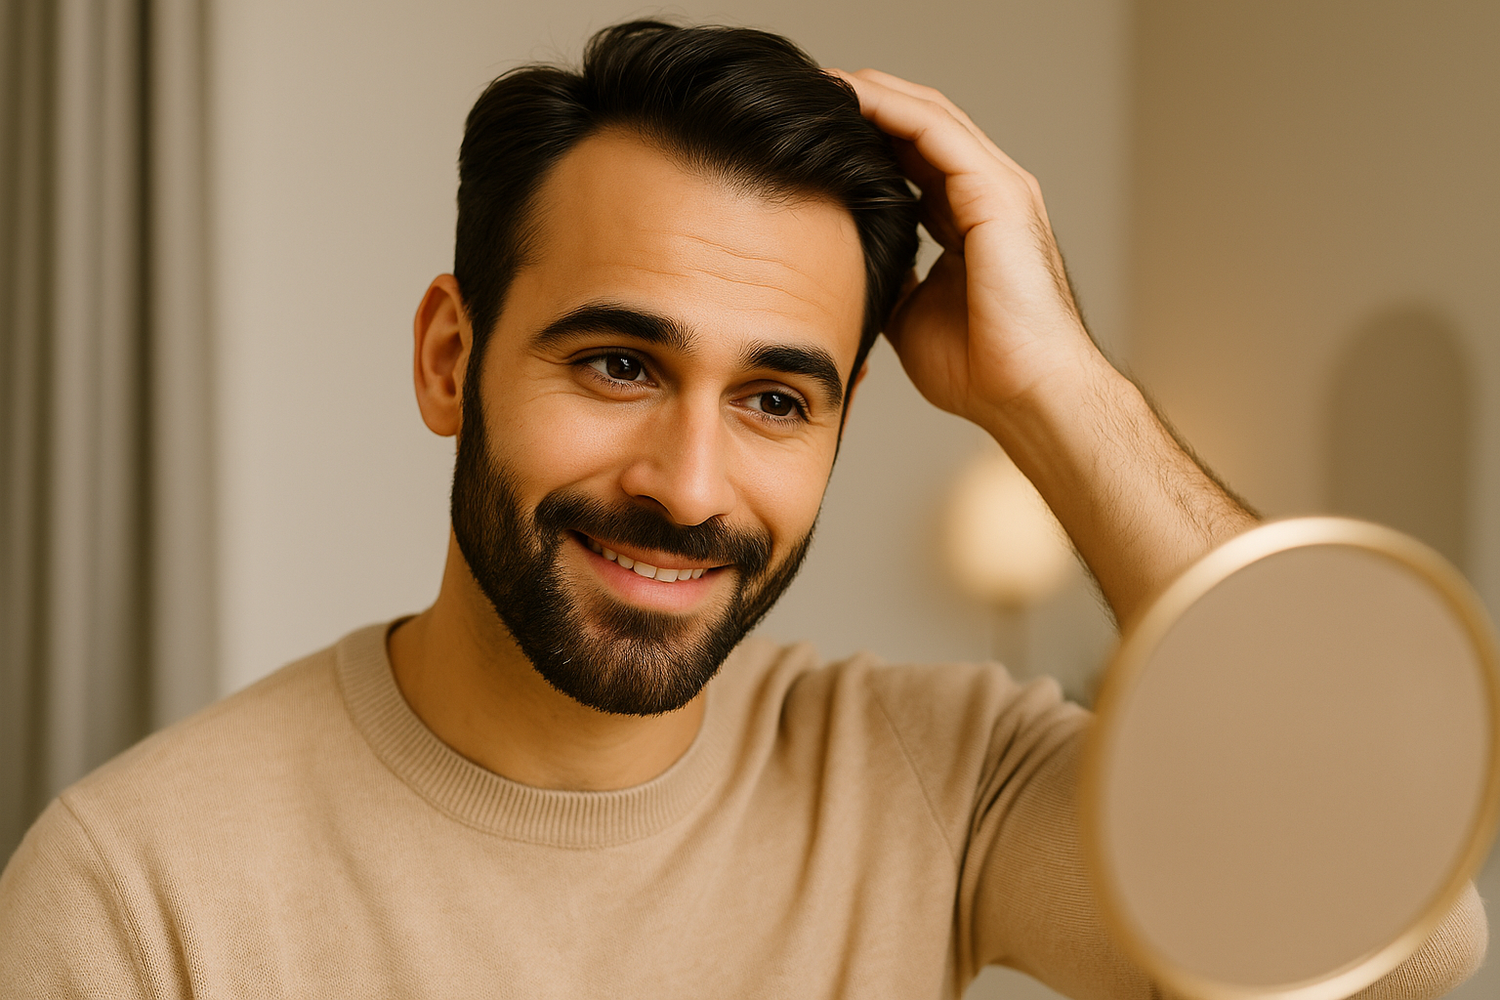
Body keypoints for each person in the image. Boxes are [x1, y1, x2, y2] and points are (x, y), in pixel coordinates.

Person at [0, 20, 1485, 999]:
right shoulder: (138, 892)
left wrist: (1059, 392)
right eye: (621, 362)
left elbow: (1407, 953)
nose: (688, 486)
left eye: (778, 398)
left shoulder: (937, 775)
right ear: (451, 357)